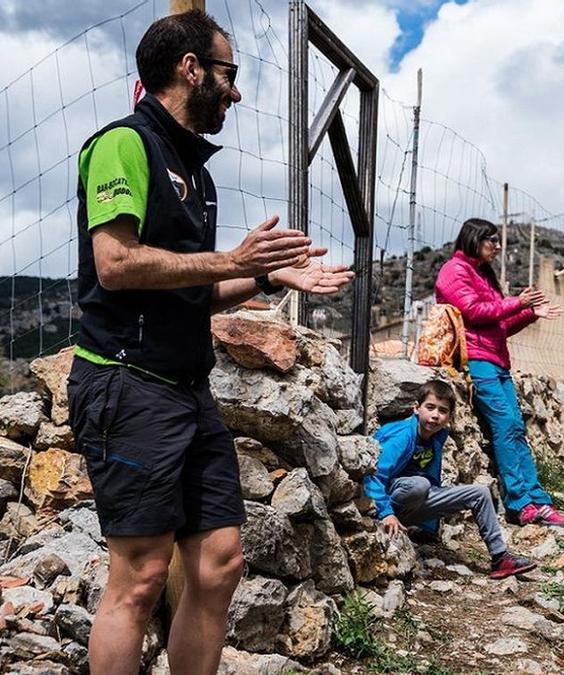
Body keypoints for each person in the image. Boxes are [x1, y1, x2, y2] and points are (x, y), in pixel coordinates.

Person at [65, 11, 355, 673]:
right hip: (125, 382)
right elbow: (116, 263)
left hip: (188, 392)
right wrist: (232, 262)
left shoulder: (198, 174)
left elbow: (192, 289)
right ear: (190, 68)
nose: (236, 91)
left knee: (220, 562)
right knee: (139, 578)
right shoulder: (123, 145)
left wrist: (264, 273)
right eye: (229, 74)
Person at [435, 218, 564, 527]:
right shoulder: (454, 271)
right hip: (475, 360)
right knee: (507, 425)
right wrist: (517, 302)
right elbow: (473, 312)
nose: (497, 246)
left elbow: (499, 325)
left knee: (515, 428)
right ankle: (520, 503)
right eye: (491, 241)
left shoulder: (483, 275)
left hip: (496, 360)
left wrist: (528, 313)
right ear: (474, 239)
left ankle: (537, 500)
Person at [365, 380, 538, 579]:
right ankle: (385, 517)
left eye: (443, 411)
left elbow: (432, 479)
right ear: (416, 408)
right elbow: (374, 475)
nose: (435, 415)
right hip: (381, 502)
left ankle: (500, 557)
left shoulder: (436, 437)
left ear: (449, 417)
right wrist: (385, 512)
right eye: (430, 407)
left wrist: (428, 527)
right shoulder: (403, 436)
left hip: (411, 502)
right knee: (420, 485)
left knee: (480, 493)